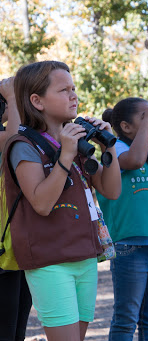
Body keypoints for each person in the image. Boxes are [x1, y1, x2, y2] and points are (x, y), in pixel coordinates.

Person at [1, 60, 121, 341]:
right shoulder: (23, 145)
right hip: (49, 259)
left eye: (74, 88)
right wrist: (65, 155)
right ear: (37, 101)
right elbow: (41, 203)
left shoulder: (75, 139)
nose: (73, 95)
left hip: (84, 254)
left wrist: (109, 146)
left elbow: (112, 190)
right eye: (64, 89)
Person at [97, 97, 148, 341]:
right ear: (126, 127)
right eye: (144, 117)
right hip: (130, 245)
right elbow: (134, 161)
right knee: (126, 318)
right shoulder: (115, 148)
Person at [0, 76, 32, 341]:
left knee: (19, 326)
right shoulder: (8, 138)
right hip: (3, 251)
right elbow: (13, 138)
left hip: (17, 245)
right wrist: (11, 95)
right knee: (7, 330)